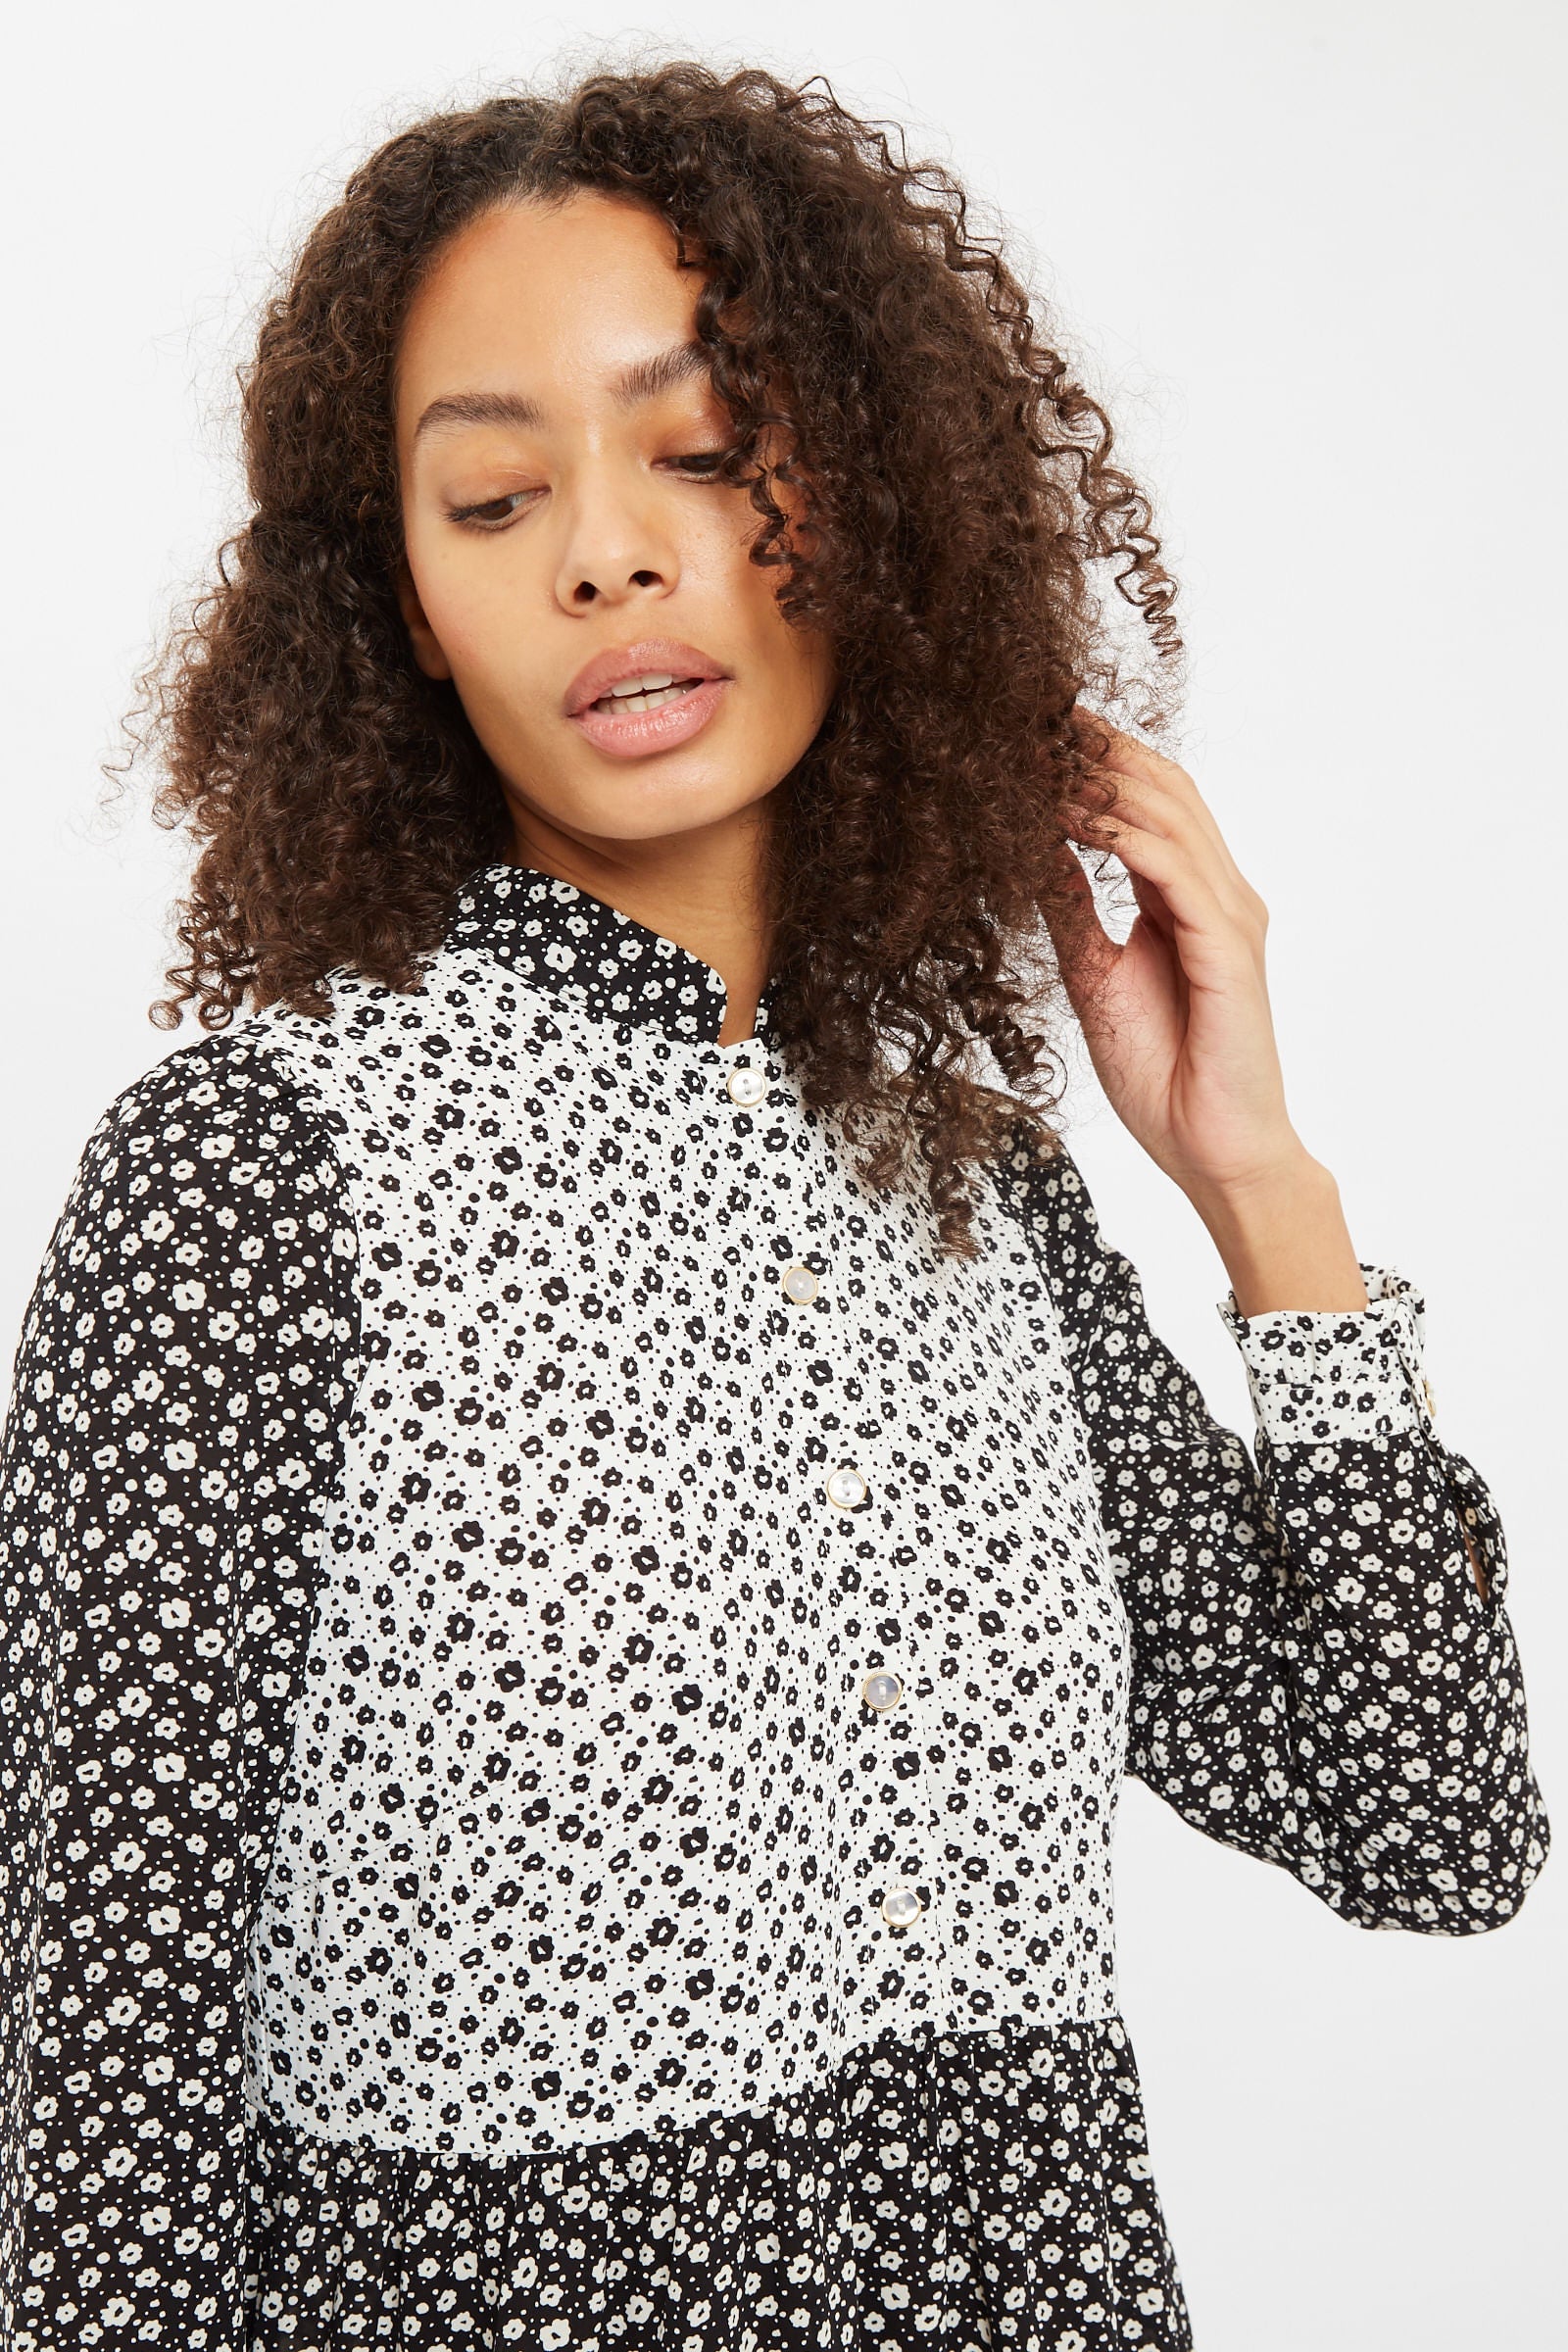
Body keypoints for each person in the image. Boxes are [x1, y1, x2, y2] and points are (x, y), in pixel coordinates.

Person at [0, 61, 1548, 2352]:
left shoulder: (972, 1188)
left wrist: (1259, 1186)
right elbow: (105, 2123)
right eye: (495, 495)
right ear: (409, 607)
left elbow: (1420, 1829)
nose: (605, 552)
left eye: (706, 451)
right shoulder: (258, 1177)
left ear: (867, 497)